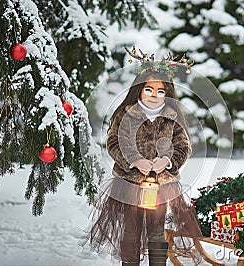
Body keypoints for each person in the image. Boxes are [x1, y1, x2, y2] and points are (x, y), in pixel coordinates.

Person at [82, 47, 202, 265]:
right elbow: (114, 143)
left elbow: (183, 146)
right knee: (131, 230)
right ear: (139, 89)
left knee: (157, 232)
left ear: (167, 93)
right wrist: (134, 160)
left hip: (162, 185)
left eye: (160, 91)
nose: (154, 96)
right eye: (149, 90)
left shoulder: (171, 115)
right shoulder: (127, 113)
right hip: (130, 183)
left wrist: (167, 161)